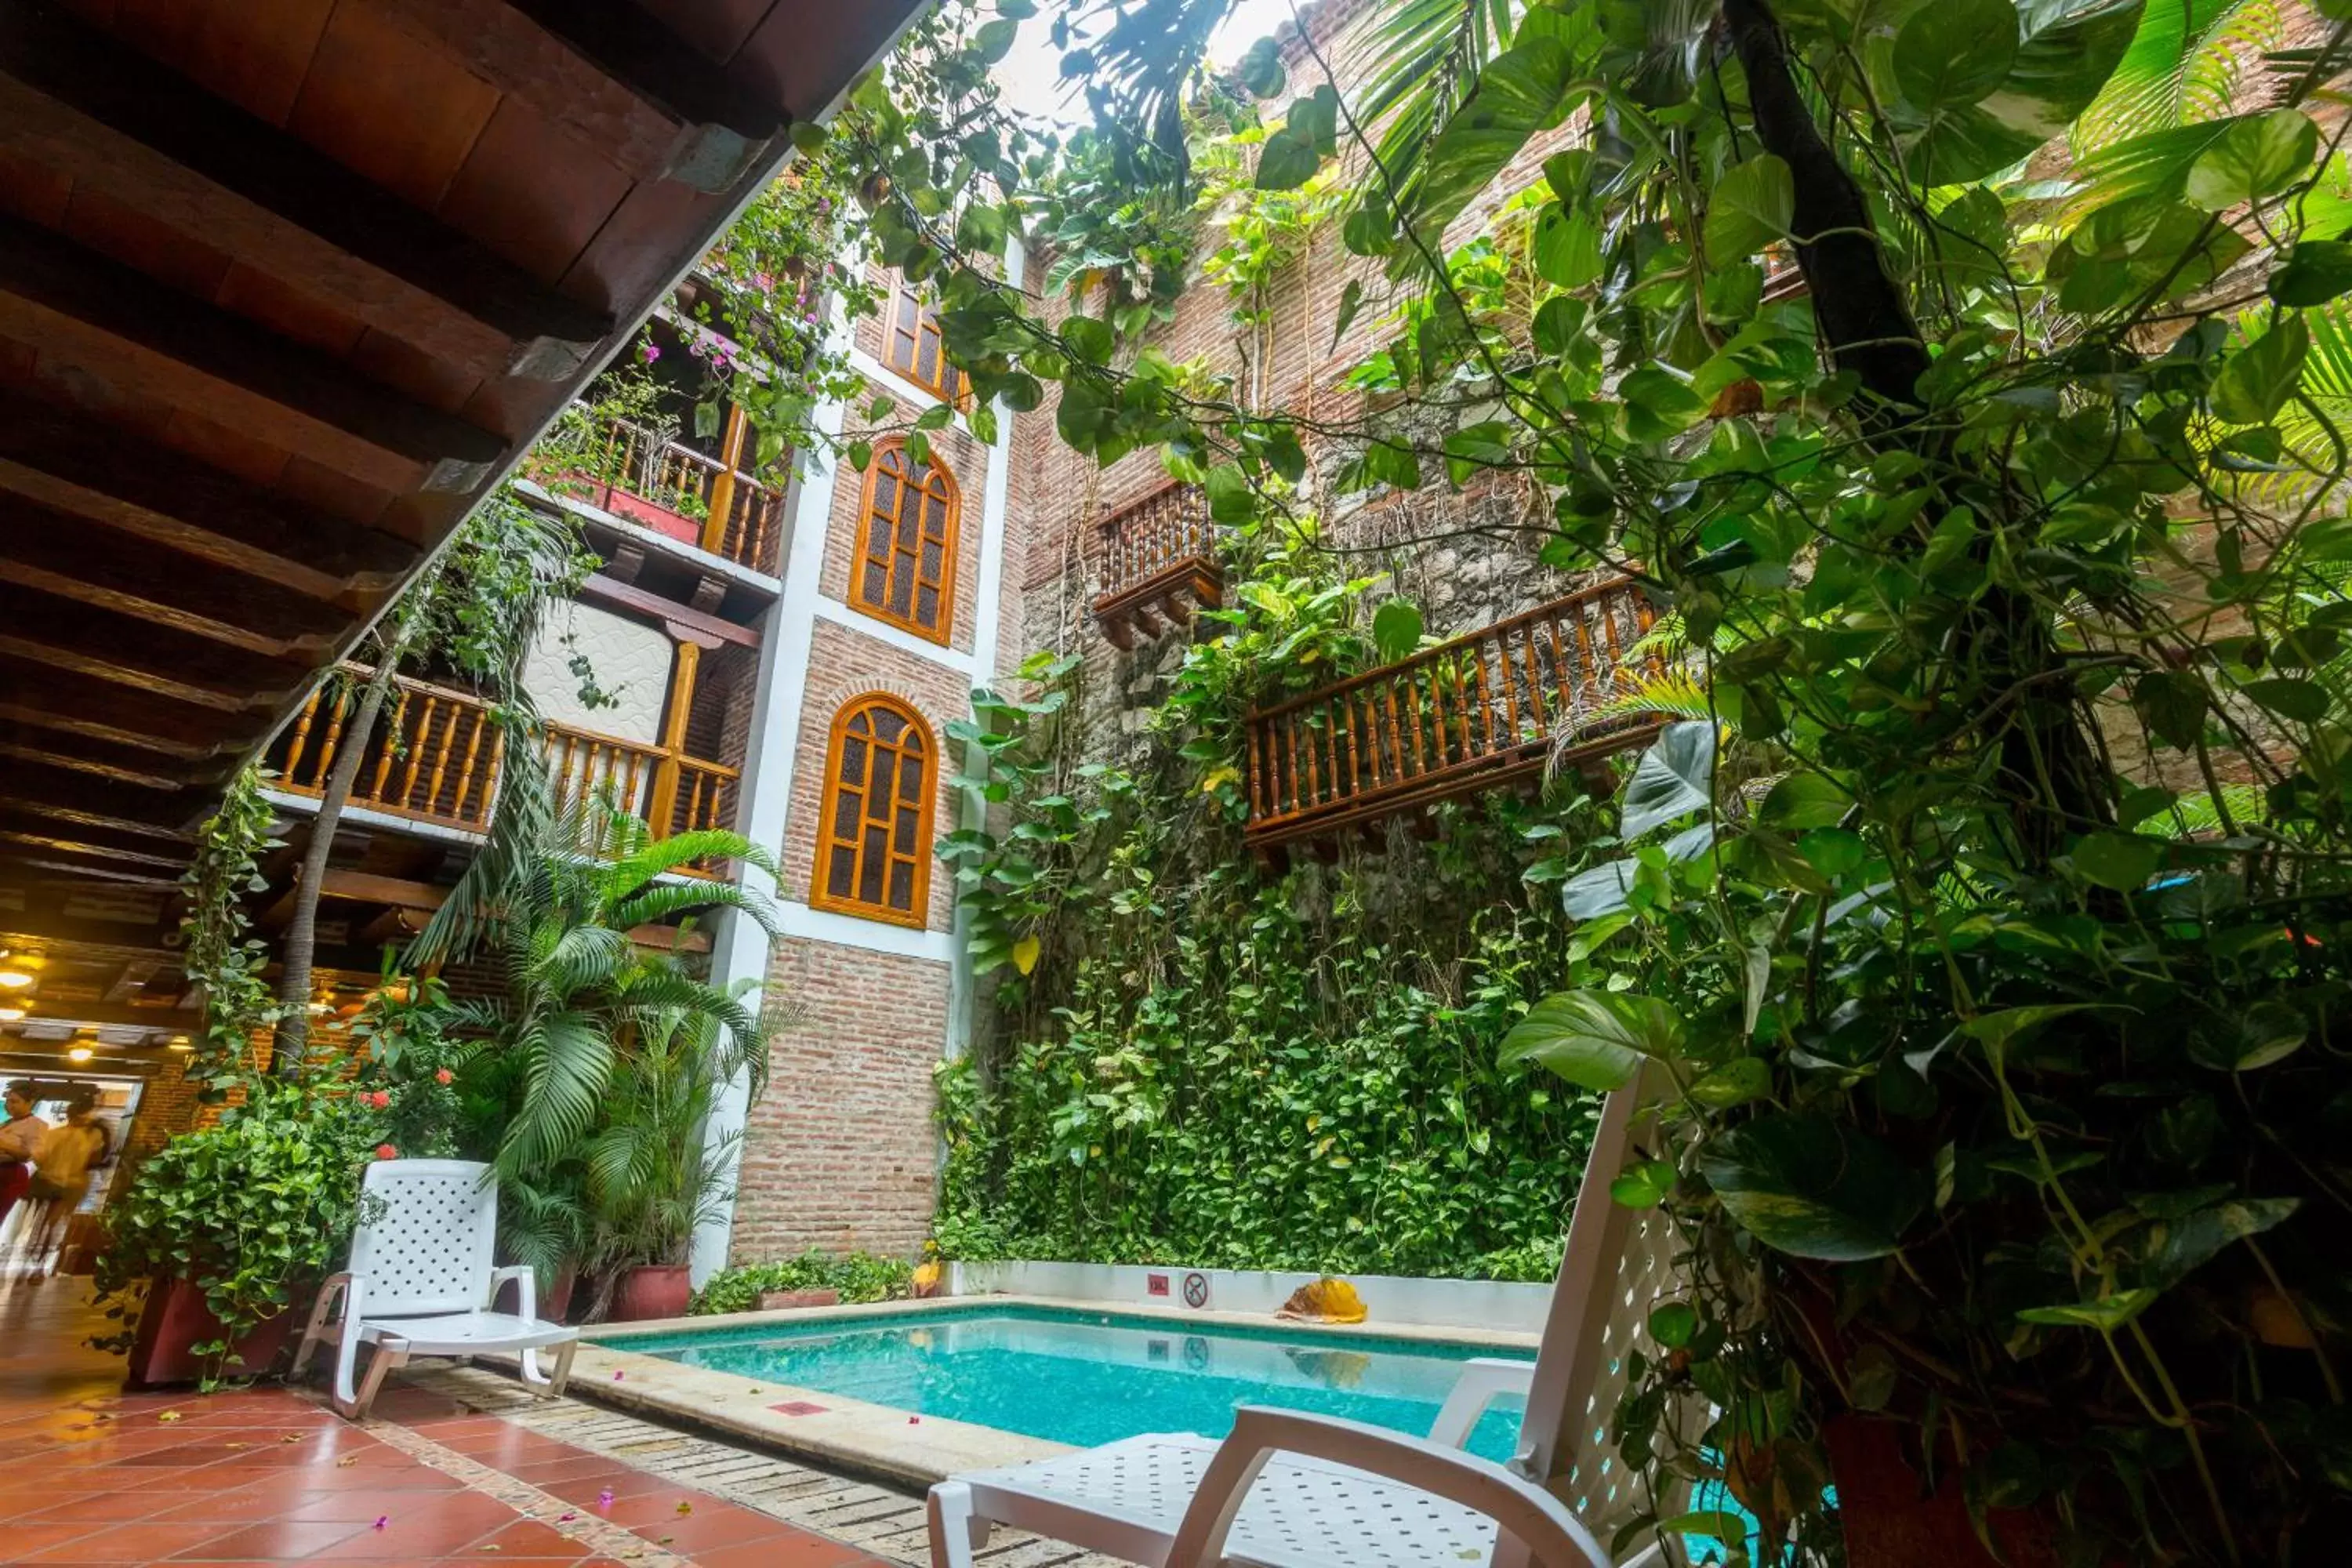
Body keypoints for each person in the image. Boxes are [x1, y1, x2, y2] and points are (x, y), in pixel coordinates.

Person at [22, 1096, 107, 1278]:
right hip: (71, 1185)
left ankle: (34, 1260)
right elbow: (96, 1160)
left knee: (42, 1222)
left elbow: (39, 1159)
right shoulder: (92, 1136)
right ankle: (40, 1265)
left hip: (49, 1181)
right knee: (53, 1225)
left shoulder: (55, 1134)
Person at [0, 1083, 46, 1239]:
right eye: (8, 1100)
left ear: (30, 1102)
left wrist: (4, 1145)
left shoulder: (36, 1124)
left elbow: (32, 1155)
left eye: (14, 1101)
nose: (9, 1105)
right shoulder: (8, 1123)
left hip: (9, 1174)